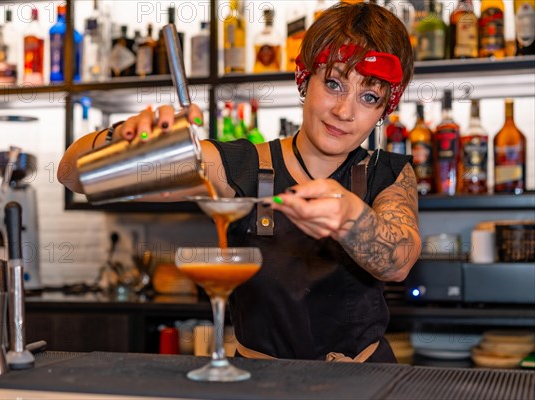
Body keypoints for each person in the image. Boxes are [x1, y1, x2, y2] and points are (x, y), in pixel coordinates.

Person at [59, 2, 421, 362]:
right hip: (258, 382)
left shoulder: (387, 172)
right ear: (304, 79)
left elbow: (399, 261)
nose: (345, 111)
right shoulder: (244, 166)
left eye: (369, 96)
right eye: (333, 83)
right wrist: (123, 142)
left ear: (384, 110)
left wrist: (349, 218)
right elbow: (75, 175)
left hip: (361, 381)